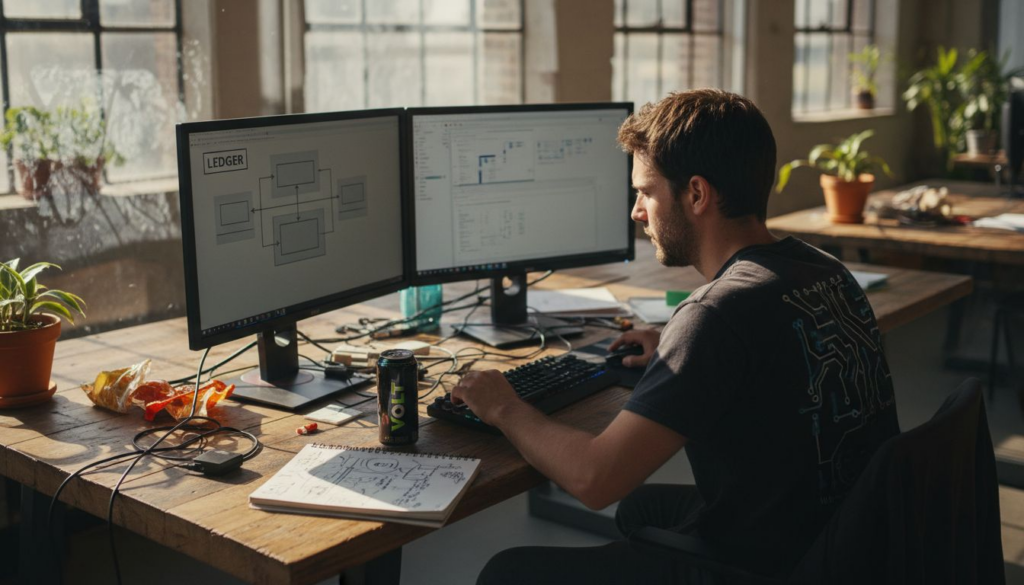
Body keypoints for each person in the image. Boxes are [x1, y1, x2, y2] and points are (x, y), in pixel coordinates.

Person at [452, 89, 900, 584]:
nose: (636, 212)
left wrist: (502, 405)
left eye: (645, 192)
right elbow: (773, 353)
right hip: (846, 540)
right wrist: (677, 347)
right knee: (643, 511)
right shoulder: (824, 269)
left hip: (770, 567)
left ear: (696, 194)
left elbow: (594, 480)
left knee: (507, 573)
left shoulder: (715, 314)